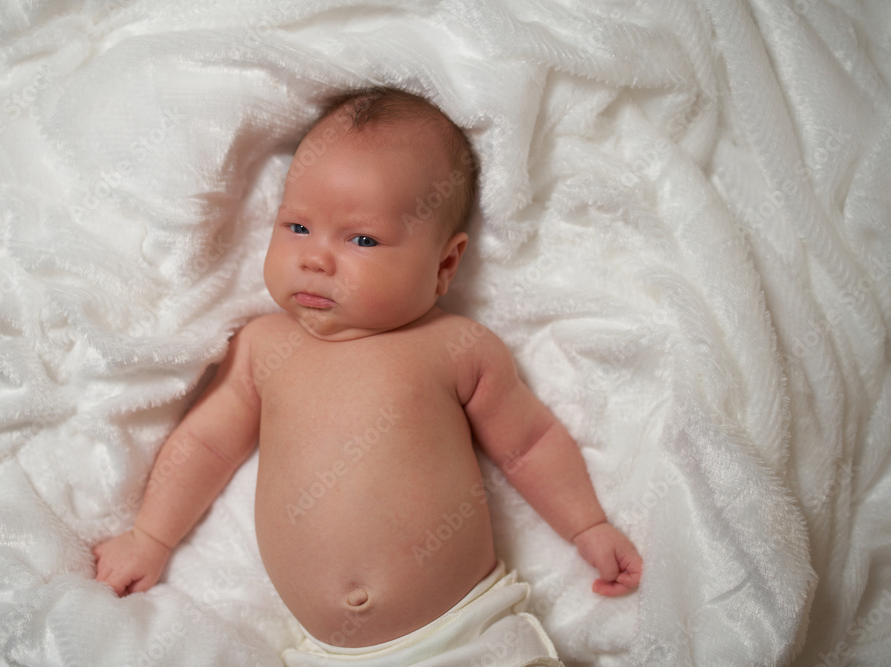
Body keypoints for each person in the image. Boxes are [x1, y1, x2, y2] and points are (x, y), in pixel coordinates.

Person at [94, 87, 642, 666]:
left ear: (445, 264)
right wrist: (149, 537)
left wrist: (587, 527)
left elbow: (530, 443)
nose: (315, 258)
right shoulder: (263, 347)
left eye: (361, 239)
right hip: (325, 656)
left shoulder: (455, 347)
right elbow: (205, 445)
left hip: (469, 634)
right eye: (297, 227)